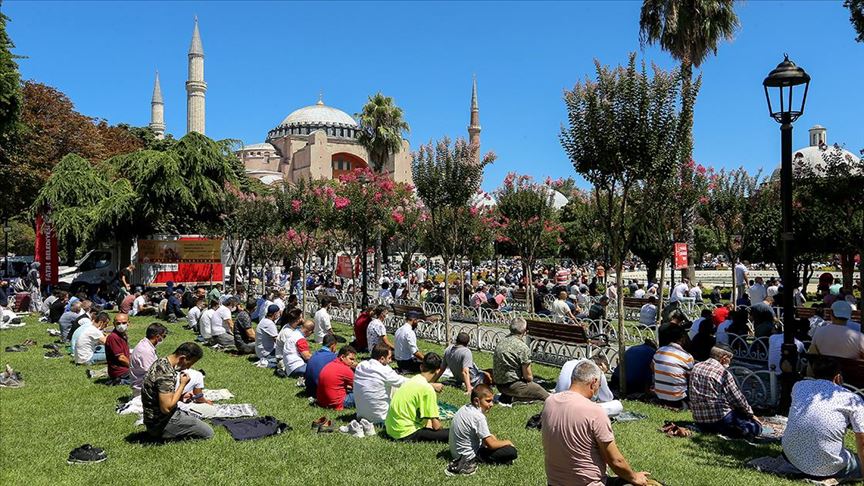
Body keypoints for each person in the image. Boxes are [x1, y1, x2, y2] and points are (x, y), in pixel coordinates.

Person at [542, 360, 650, 486]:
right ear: (593, 383)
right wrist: (634, 477)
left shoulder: (550, 402)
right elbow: (616, 461)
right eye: (599, 385)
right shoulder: (595, 411)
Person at [783, 356, 864, 482]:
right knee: (857, 461)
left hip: (792, 457)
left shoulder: (798, 386)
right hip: (828, 466)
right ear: (838, 377)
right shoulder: (851, 398)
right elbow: (861, 438)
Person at [141, 342, 213, 441]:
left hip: (151, 420)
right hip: (161, 424)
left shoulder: (161, 362)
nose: (188, 368)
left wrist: (180, 396)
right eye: (189, 363)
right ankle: (166, 435)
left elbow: (160, 395)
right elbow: (166, 408)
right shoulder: (166, 374)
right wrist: (183, 384)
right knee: (208, 432)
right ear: (183, 358)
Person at [689, 345, 761, 438]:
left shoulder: (696, 367)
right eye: (730, 359)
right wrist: (751, 414)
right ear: (724, 358)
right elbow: (737, 398)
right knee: (756, 427)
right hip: (720, 418)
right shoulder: (723, 373)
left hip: (699, 418)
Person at [446, 384, 519, 475]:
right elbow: (491, 444)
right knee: (511, 451)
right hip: (468, 457)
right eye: (488, 401)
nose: (491, 404)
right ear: (477, 401)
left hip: (455, 453)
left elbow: (488, 438)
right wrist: (507, 442)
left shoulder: (464, 408)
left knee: (494, 439)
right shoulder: (478, 417)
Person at [385, 353, 449, 442]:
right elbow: (436, 426)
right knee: (451, 433)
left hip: (391, 429)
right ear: (438, 371)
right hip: (404, 433)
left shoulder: (412, 380)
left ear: (421, 367)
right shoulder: (427, 389)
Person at [493, 317, 550, 403]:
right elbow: (528, 377)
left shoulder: (501, 341)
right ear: (524, 331)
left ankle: (509, 397)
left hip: (499, 384)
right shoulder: (522, 347)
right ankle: (513, 398)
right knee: (545, 395)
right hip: (513, 386)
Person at [355, 343, 414, 424]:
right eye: (389, 358)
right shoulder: (384, 371)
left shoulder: (360, 366)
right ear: (382, 359)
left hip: (361, 416)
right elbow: (405, 382)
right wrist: (427, 384)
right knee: (400, 387)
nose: (390, 361)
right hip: (381, 418)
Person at [555, 355, 623, 417]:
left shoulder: (569, 363)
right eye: (605, 371)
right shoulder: (596, 370)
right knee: (617, 405)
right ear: (602, 365)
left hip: (558, 403)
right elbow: (607, 398)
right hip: (576, 409)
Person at [652, 325, 694, 409]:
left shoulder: (659, 351)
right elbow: (691, 379)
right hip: (678, 398)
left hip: (659, 395)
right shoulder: (687, 357)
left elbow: (652, 368)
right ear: (682, 339)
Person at [316, 345, 358, 410]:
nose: (353, 362)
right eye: (351, 359)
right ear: (342, 357)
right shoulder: (345, 369)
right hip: (337, 403)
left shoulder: (329, 364)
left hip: (321, 401)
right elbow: (359, 387)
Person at [130, 323, 167, 396]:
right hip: (144, 390)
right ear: (157, 336)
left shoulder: (146, 344)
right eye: (164, 336)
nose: (163, 339)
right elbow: (153, 374)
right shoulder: (145, 350)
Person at [104, 313, 131, 385]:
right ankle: (119, 381)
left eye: (124, 323)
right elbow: (121, 358)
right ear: (114, 324)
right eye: (118, 323)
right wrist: (133, 367)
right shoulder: (113, 337)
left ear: (128, 323)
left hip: (124, 369)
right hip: (120, 372)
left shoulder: (122, 335)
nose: (121, 325)